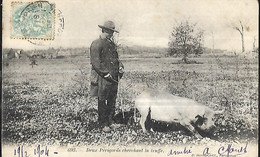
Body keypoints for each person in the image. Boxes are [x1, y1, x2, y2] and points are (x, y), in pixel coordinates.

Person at [89, 21, 124, 133]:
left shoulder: (111, 44)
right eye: (110, 32)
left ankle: (111, 121)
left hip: (113, 77)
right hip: (102, 78)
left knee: (112, 99)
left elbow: (116, 59)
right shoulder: (96, 43)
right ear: (104, 31)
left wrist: (121, 67)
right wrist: (105, 73)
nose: (111, 34)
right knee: (102, 99)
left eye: (112, 32)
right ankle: (103, 123)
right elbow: (95, 62)